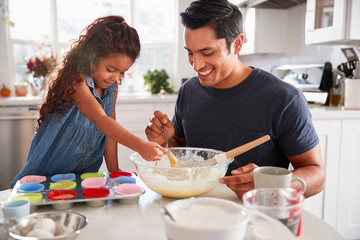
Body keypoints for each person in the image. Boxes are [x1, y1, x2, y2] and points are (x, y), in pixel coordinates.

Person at [145, 0, 325, 199]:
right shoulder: (189, 91)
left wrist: (270, 184)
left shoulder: (283, 99)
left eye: (207, 52)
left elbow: (317, 174)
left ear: (237, 43)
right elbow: (186, 153)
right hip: (194, 209)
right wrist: (167, 140)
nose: (196, 65)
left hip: (255, 217)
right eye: (190, 53)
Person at [11, 15, 165, 188]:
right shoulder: (76, 80)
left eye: (122, 72)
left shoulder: (111, 88)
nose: (115, 77)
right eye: (110, 69)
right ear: (93, 56)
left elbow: (110, 130)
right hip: (49, 174)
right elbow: (101, 120)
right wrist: (141, 146)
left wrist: (114, 172)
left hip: (82, 177)